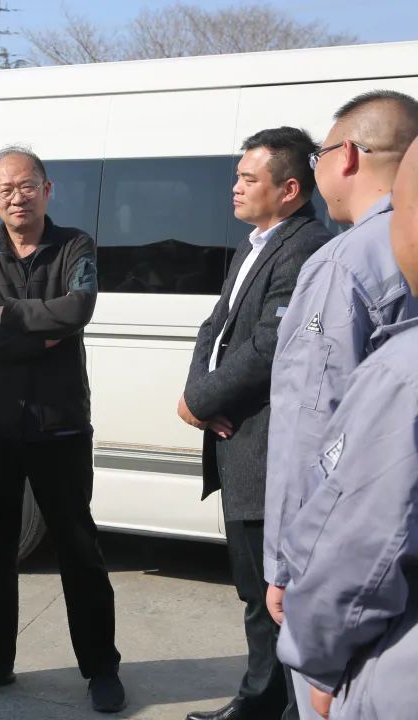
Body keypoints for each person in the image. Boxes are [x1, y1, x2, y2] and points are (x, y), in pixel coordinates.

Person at [0, 146, 125, 713]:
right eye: (5, 189)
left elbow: (77, 310)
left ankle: (101, 667)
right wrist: (39, 336)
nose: (17, 197)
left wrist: (5, 314)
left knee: (79, 549)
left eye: (27, 186)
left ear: (47, 190)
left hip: (60, 426)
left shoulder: (76, 246)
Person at [261, 90, 418, 718]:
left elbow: (311, 426)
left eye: (319, 153)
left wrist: (285, 564)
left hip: (359, 580)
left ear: (346, 155)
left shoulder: (345, 260)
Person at [179, 127, 332, 720]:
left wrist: (201, 398)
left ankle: (284, 707)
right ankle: (259, 700)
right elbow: (214, 327)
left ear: (289, 189)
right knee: (253, 588)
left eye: (249, 178)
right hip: (237, 441)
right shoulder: (255, 245)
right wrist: (196, 395)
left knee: (277, 594)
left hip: (267, 448)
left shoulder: (305, 245)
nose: (236, 187)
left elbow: (271, 345)